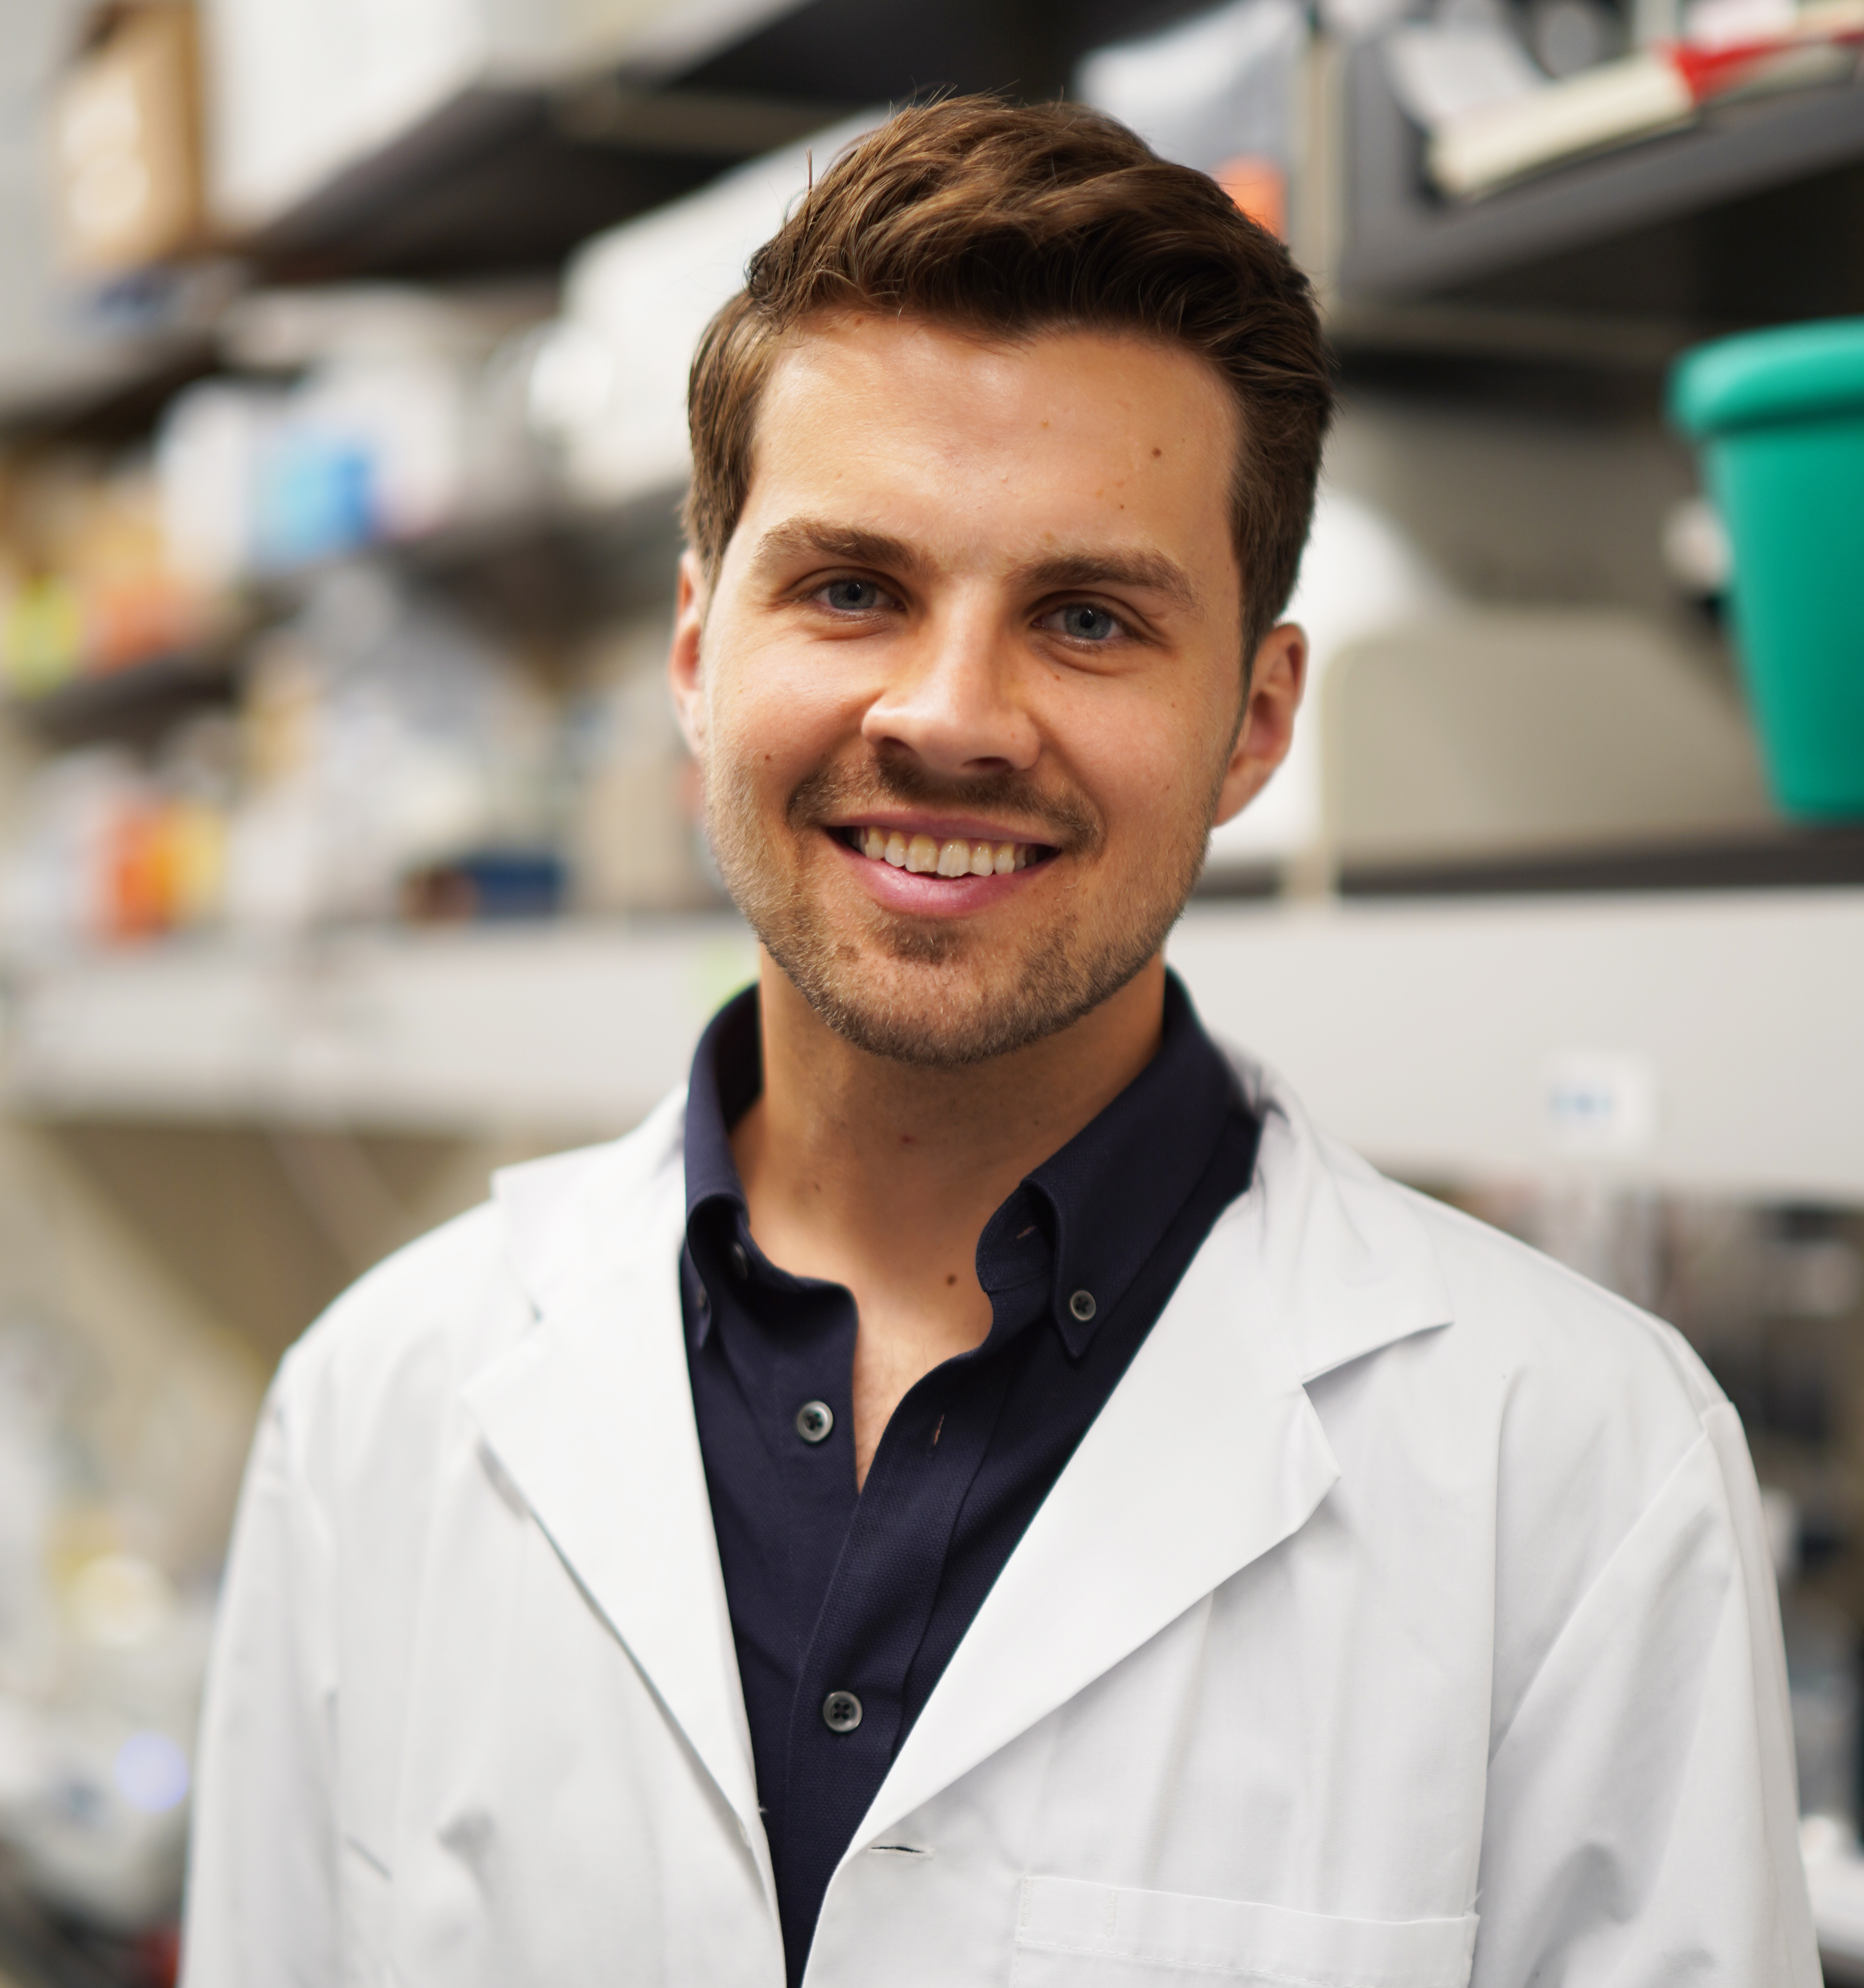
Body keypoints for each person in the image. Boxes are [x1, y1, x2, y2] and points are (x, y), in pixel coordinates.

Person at [182, 98, 1817, 1988]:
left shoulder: (1579, 1472)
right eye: (854, 588)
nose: (953, 716)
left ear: (1254, 722)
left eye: (1088, 616)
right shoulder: (378, 1408)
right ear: (702, 651)